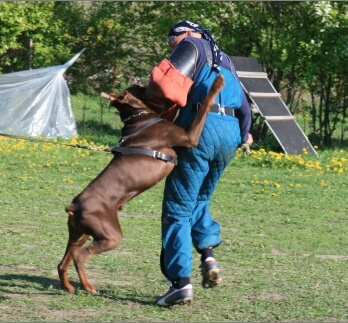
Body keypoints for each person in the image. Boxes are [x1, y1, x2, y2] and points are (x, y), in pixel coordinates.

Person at [144, 20, 254, 306]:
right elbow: (244, 109)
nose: (172, 48)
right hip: (230, 134)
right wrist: (243, 136)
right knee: (200, 198)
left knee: (177, 209)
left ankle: (180, 283)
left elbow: (164, 85)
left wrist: (156, 117)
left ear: (186, 33)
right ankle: (208, 255)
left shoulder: (190, 44)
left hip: (201, 127)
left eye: (172, 42)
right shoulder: (225, 59)